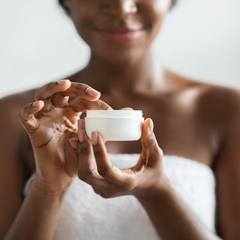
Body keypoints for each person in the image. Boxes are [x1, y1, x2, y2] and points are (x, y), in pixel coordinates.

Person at [0, 0, 240, 239]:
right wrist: (49, 189)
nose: (122, 8)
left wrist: (159, 194)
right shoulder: (20, 117)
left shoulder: (226, 109)